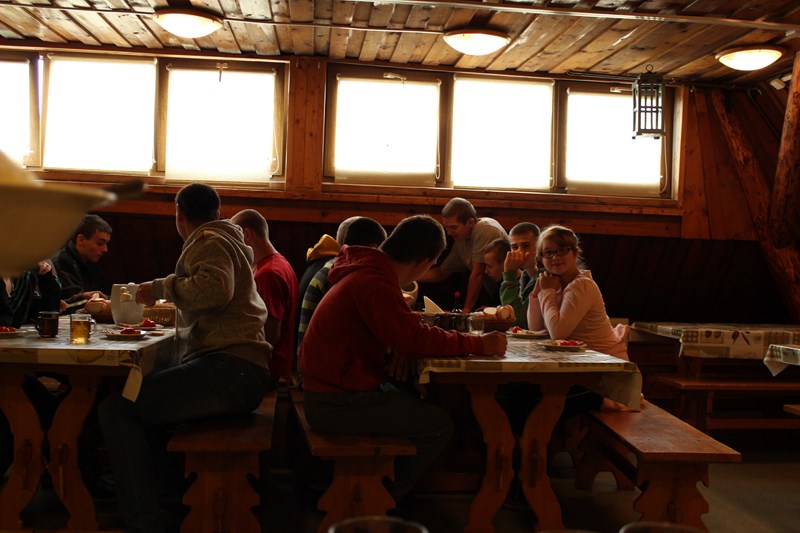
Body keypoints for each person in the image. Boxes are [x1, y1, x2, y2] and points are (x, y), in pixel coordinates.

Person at [99, 183, 271, 532]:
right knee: (149, 405)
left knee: (117, 409)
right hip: (243, 370)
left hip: (231, 371)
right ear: (217, 211)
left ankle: (144, 522)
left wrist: (160, 287)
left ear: (179, 214)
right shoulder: (228, 238)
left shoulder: (209, 240)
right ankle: (168, 505)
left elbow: (213, 289)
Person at [299, 214, 508, 502]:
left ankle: (384, 487)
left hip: (331, 391)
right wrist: (480, 344)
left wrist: (401, 343)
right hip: (336, 402)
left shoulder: (367, 271)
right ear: (424, 262)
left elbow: (402, 334)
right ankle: (379, 498)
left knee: (419, 398)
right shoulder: (374, 281)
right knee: (438, 425)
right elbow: (414, 338)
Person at [527, 225, 635, 412]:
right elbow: (535, 329)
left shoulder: (581, 285)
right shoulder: (558, 285)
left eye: (562, 250)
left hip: (607, 381)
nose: (555, 257)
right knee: (524, 395)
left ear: (575, 253)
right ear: (541, 258)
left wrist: (547, 292)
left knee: (537, 403)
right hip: (581, 373)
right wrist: (537, 294)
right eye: (548, 252)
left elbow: (558, 333)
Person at [297, 216, 387, 354]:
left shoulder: (330, 265)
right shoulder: (340, 274)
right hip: (319, 360)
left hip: (311, 356)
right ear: (373, 249)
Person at [232, 209, 299, 387]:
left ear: (246, 235)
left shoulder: (267, 274)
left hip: (267, 369)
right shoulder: (280, 263)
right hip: (275, 365)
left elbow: (269, 335)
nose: (232, 249)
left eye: (234, 240)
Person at [417, 197, 507, 314]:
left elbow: (478, 274)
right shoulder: (461, 241)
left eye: (453, 227)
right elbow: (441, 272)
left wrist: (466, 310)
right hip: (496, 297)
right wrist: (410, 277)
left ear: (470, 222)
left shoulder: (484, 229)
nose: (448, 233)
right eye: (446, 228)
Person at [51, 214, 113, 305]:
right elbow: (73, 303)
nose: (105, 249)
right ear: (81, 240)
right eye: (100, 243)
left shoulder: (91, 262)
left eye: (106, 244)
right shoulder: (62, 261)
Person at [500, 222, 541, 328]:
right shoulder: (525, 276)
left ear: (539, 247)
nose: (520, 252)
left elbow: (517, 321)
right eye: (514, 247)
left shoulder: (545, 277)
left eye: (526, 246)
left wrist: (509, 275)